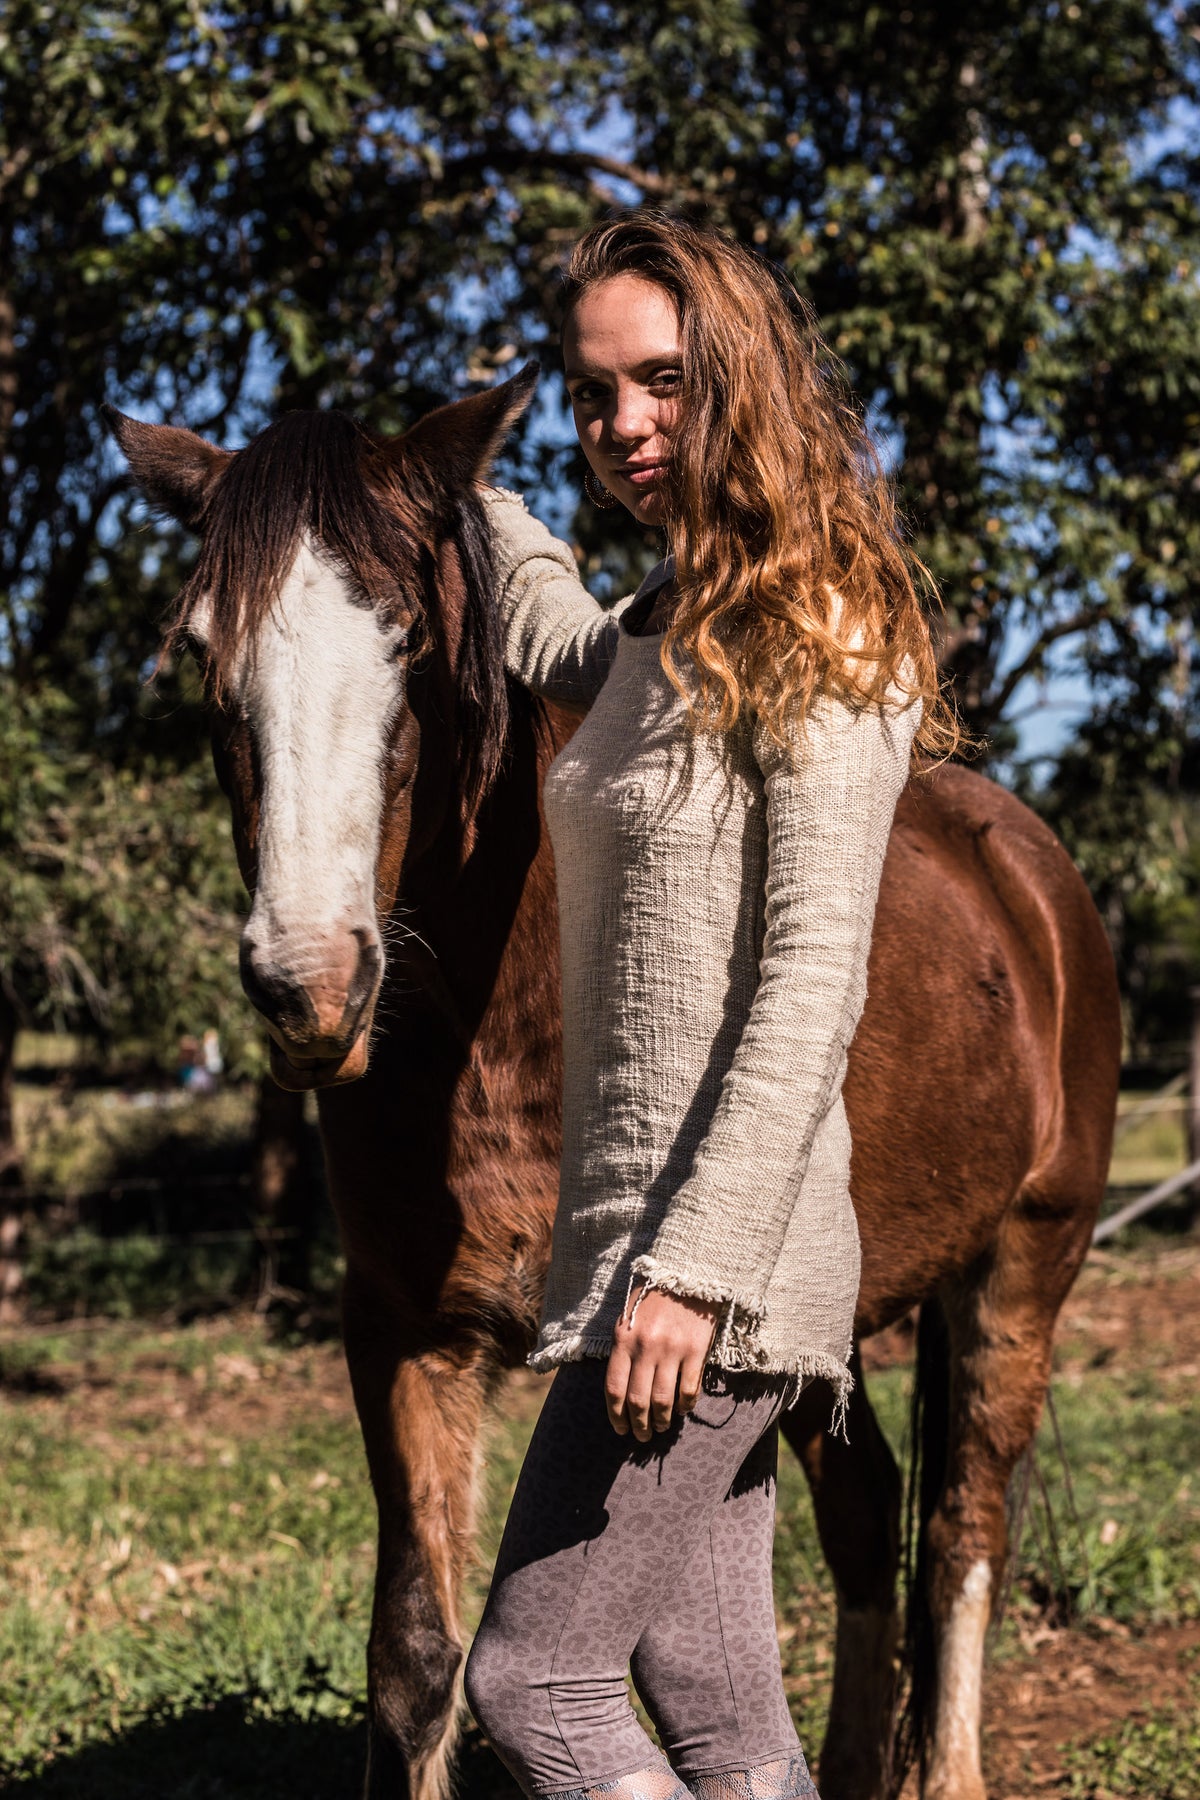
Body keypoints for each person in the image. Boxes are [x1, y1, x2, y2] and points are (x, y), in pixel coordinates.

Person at [463, 213, 956, 1800]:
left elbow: (817, 981)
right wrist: (452, 491)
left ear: (742, 376)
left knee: (536, 1690)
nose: (624, 429)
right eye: (595, 393)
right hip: (638, 1263)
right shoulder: (656, 636)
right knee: (724, 1715)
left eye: (663, 383)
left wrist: (692, 1276)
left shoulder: (827, 626)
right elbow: (546, 626)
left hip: (711, 1282)